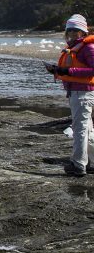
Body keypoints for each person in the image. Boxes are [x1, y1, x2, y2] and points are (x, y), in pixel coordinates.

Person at [46, 14, 94, 177]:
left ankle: (78, 165)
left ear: (83, 31)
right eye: (70, 30)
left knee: (80, 129)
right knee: (86, 128)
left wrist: (68, 71)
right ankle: (90, 162)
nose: (73, 33)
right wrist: (57, 70)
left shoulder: (88, 48)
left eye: (76, 30)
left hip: (84, 93)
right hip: (77, 92)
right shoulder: (75, 47)